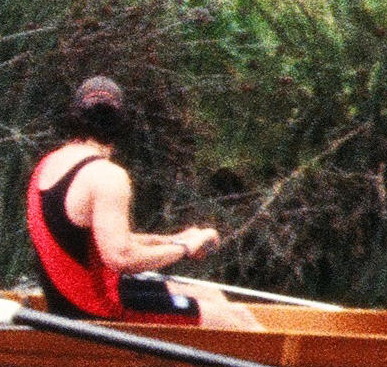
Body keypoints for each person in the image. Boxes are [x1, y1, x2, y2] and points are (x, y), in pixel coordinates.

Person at [22, 78, 260, 332]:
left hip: (73, 302)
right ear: (122, 123)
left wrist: (173, 240)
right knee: (231, 322)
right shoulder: (107, 176)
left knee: (215, 297)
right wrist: (184, 249)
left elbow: (104, 242)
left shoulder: (48, 164)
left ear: (74, 118)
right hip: (98, 311)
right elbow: (120, 258)